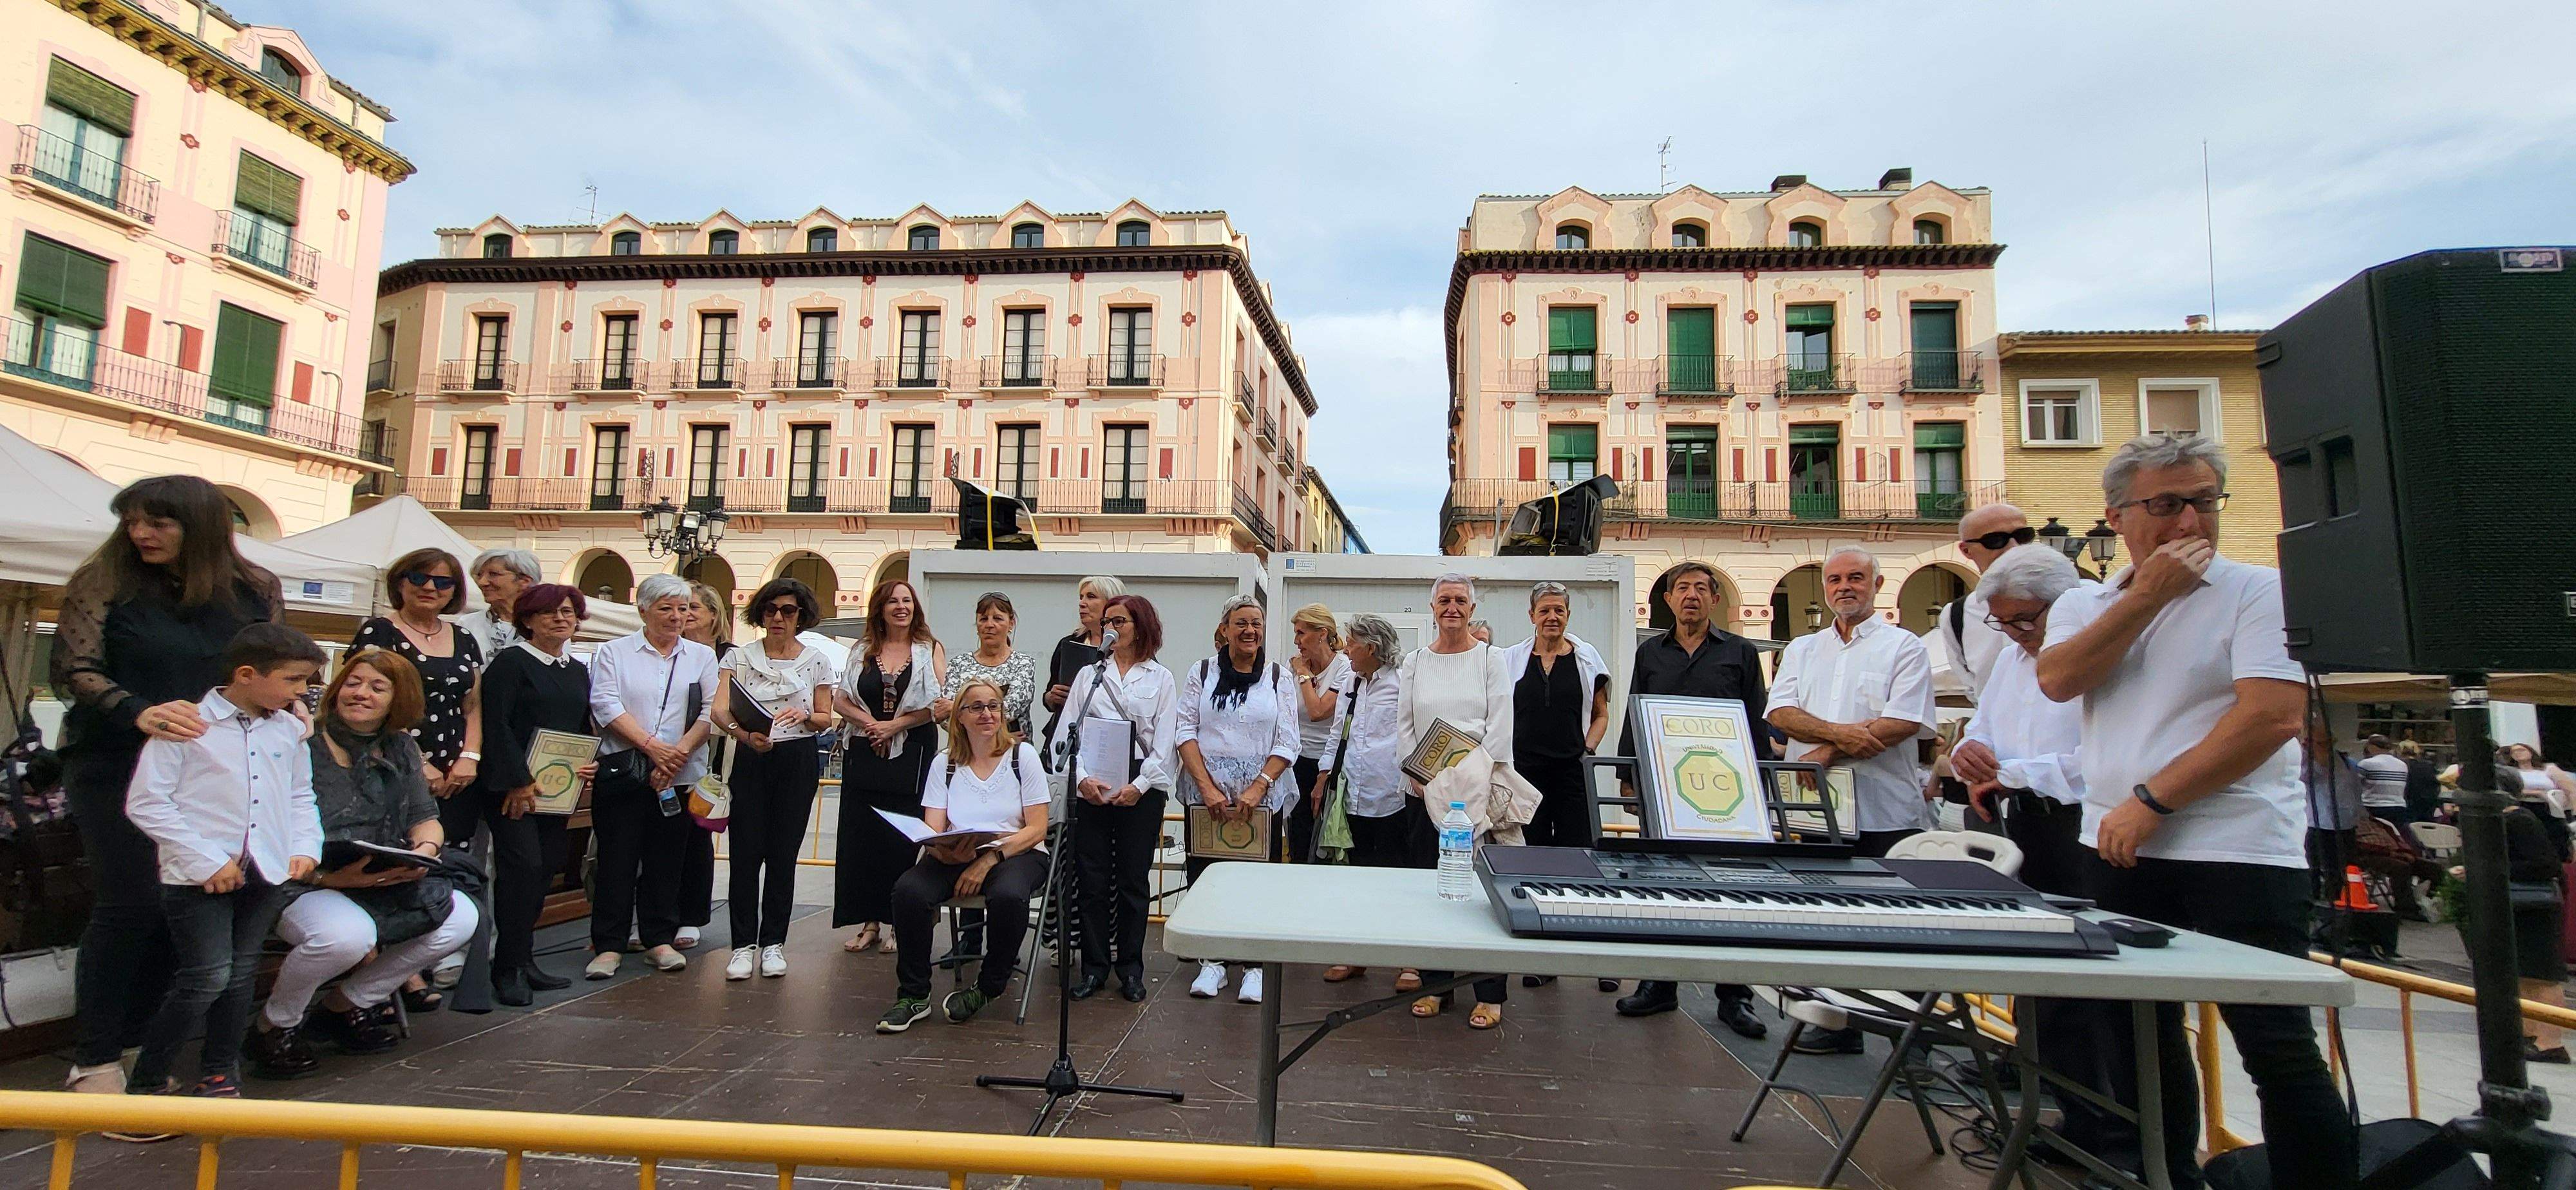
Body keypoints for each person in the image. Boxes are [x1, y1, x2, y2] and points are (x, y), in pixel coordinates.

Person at [2034, 433, 2355, 1189]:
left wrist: (2151, 802)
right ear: (2116, 517)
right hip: (2115, 847)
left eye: (2204, 503)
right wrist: (2144, 597)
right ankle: (2166, 1174)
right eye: (2166, 505)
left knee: (2275, 1045)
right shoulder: (2085, 601)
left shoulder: (2258, 591)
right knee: (2139, 1042)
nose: (2188, 524)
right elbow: (2057, 680)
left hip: (2237, 850)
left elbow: (2270, 719)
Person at [53, 475, 286, 1097]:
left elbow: (269, 670)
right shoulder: (104, 579)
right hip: (114, 758)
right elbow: (72, 667)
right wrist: (136, 709)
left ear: (201, 525)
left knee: (179, 905)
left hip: (208, 769)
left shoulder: (255, 588)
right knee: (130, 902)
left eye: (158, 522)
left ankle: (137, 1044)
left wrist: (293, 705)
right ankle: (94, 1059)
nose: (140, 533)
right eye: (131, 520)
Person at [1944, 545, 2120, 1151]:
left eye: (2025, 620)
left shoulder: (2093, 658)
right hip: (2024, 825)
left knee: (2083, 987)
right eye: (2003, 621)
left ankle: (2102, 1123)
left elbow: (2099, 760)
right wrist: (1970, 753)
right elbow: (1984, 728)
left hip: (2078, 827)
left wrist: (2014, 774)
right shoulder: (2013, 663)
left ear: (2064, 606)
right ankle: (2066, 1109)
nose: (2015, 634)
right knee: (2040, 974)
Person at [121, 623, 325, 1110]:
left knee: (238, 976)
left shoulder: (289, 727)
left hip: (267, 871)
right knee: (206, 976)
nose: (302, 694)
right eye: (294, 681)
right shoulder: (189, 724)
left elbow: (300, 794)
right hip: (198, 877)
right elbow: (147, 802)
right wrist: (207, 860)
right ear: (248, 674)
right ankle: (146, 1084)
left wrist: (306, 846)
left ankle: (219, 1071)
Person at [249, 649, 479, 1081]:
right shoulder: (300, 742)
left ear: (399, 699)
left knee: (461, 916)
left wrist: (422, 856)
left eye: (377, 687)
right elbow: (266, 825)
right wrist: (328, 876)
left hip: (378, 874)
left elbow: (424, 819)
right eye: (353, 683)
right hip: (304, 879)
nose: (361, 694)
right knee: (345, 937)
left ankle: (346, 1005)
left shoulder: (401, 747)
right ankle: (275, 1025)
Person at [1769, 547, 1935, 1056]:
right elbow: (1780, 711)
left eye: (1856, 578)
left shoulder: (1905, 647)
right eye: (1836, 579)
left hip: (1887, 808)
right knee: (1826, 915)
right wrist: (1844, 736)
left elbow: (1904, 720)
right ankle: (1839, 1023)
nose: (1845, 587)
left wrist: (1825, 750)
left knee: (1898, 920)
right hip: (1819, 812)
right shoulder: (1802, 648)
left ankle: (1913, 1035)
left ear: (1877, 585)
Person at [1611, 561, 1773, 1032]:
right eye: (1682, 588)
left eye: (1702, 589)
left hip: (1728, 795)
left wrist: (1761, 788)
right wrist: (1628, 775)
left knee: (1732, 894)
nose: (1691, 596)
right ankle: (1659, 985)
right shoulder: (1650, 654)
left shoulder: (1741, 652)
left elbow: (1756, 721)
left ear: (1715, 600)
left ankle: (1735, 997)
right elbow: (1634, 713)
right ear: (1668, 598)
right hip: (1663, 794)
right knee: (1660, 890)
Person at [877, 679, 1052, 1032]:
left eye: (994, 706)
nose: (987, 714)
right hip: (958, 853)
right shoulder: (946, 763)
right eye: (976, 707)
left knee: (1007, 896)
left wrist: (990, 859)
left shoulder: (1023, 756)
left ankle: (989, 987)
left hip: (1017, 852)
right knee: (909, 891)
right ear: (959, 717)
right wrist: (949, 853)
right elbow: (934, 828)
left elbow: (1036, 829)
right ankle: (913, 996)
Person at [585, 573, 719, 979]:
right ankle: (608, 945)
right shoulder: (614, 652)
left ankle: (658, 938)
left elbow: (711, 710)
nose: (677, 617)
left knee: (667, 860)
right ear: (642, 610)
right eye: (666, 608)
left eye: (683, 608)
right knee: (616, 860)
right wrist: (652, 747)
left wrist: (675, 755)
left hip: (678, 775)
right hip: (625, 772)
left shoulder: (701, 656)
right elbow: (605, 703)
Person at [1397, 573, 1515, 1028]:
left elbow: (1500, 726)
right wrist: (1418, 777)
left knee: (1484, 895)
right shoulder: (1415, 662)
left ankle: (1490, 992)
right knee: (1432, 892)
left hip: (1477, 794)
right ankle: (1436, 986)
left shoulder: (1491, 658)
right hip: (1426, 793)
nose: (1452, 607)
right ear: (1432, 608)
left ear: (1472, 607)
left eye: (1460, 600)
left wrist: (1471, 782)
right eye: (1444, 600)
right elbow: (1405, 723)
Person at [1174, 594, 1300, 1005]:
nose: (1250, 631)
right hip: (1206, 791)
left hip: (1259, 795)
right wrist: (1207, 787)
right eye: (1241, 623)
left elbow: (1288, 741)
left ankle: (1253, 966)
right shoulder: (1202, 671)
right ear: (1224, 629)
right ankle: (1213, 963)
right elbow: (1185, 730)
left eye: (1257, 624)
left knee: (1256, 884)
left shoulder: (1278, 677)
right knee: (1206, 876)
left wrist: (1259, 786)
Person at [471, 584, 591, 1005]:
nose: (560, 619)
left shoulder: (576, 670)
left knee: (546, 869)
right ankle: (506, 968)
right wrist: (517, 781)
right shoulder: (510, 664)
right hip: (514, 790)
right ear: (527, 620)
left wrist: (586, 762)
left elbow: (578, 727)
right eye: (548, 613)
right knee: (522, 870)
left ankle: (525, 958)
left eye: (567, 612)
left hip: (556, 791)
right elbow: (496, 725)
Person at [712, 578, 837, 981]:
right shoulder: (739, 658)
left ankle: (774, 943)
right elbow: (719, 710)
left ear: (801, 615)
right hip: (752, 753)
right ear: (760, 614)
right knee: (745, 853)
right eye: (771, 610)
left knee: (784, 855)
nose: (779, 617)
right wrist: (744, 735)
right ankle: (742, 945)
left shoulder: (817, 660)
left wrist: (806, 716)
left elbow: (826, 717)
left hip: (796, 758)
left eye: (788, 610)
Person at [1055, 594, 1177, 1002]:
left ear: (1140, 626)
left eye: (1119, 621)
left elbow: (1165, 744)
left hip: (1139, 790)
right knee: (1090, 881)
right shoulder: (1089, 676)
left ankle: (1131, 968)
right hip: (1093, 789)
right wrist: (1083, 780)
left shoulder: (1161, 680)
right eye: (1106, 621)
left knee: (1131, 882)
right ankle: (1093, 967)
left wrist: (1139, 787)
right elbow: (1066, 735)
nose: (1111, 628)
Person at [350, 550, 487, 880]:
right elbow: (362, 703)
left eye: (442, 582)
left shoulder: (464, 638)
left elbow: (473, 704)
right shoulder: (379, 633)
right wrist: (418, 764)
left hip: (457, 775)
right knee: (402, 857)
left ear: (455, 591)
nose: (430, 587)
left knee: (452, 864)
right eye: (418, 578)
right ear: (400, 583)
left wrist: (469, 757)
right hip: (394, 763)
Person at [833, 580, 947, 954]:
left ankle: (903, 920)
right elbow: (840, 700)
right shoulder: (862, 649)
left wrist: (894, 725)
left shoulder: (929, 649)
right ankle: (870, 922)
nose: (901, 607)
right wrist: (871, 725)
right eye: (893, 601)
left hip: (912, 750)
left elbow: (935, 704)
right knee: (864, 838)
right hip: (866, 750)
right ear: (879, 608)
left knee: (904, 838)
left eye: (907, 601)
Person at [1318, 613, 1410, 985]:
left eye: (1351, 642)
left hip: (1393, 797)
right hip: (1351, 795)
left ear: (1371, 647)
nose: (1346, 649)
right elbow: (1337, 733)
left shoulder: (1404, 682)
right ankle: (1354, 954)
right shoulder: (1350, 681)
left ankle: (1408, 960)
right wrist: (1323, 775)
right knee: (1353, 881)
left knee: (1398, 882)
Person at [2461, 771, 2573, 1062]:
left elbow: (2544, 865)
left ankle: (2550, 1041)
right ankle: (2530, 1034)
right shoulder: (2506, 821)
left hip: (2535, 907)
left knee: (2541, 976)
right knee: (2523, 974)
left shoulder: (2519, 820)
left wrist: (2488, 872)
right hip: (2521, 906)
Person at [1499, 581, 1609, 850]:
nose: (1552, 617)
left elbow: (1601, 715)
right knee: (1528, 850)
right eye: (1545, 610)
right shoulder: (1510, 659)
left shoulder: (1587, 659)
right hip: (1524, 774)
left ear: (1568, 615)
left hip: (1571, 773)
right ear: (1532, 616)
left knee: (1576, 850)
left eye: (1559, 610)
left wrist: (1588, 751)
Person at [672, 580, 733, 950]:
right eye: (679, 607)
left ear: (714, 614)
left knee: (697, 836)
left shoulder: (731, 656)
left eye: (693, 607)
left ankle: (691, 916)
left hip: (714, 761)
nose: (685, 614)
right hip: (665, 755)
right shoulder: (668, 651)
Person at [1938, 504, 2033, 704]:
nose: (2014, 547)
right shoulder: (1956, 615)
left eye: (2024, 536)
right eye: (1996, 540)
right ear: (1966, 550)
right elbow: (1973, 686)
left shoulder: (2070, 597)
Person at [1286, 603, 1353, 864]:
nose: (1296, 641)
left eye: (1301, 633)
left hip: (1329, 762)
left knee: (1324, 841)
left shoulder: (1344, 668)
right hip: (1296, 761)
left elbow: (1319, 710)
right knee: (1298, 839)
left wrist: (1303, 675)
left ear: (1322, 634)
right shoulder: (1290, 668)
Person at [1041, 576, 1125, 754]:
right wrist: (1052, 697)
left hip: (1110, 741)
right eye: (1081, 597)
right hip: (1069, 739)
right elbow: (1048, 697)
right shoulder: (1069, 644)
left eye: (1091, 597)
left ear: (1111, 604)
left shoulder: (1127, 648)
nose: (1082, 603)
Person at [939, 592, 1039, 739]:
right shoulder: (959, 664)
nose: (989, 625)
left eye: (998, 619)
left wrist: (955, 708)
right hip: (967, 753)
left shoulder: (1023, 664)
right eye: (983, 619)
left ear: (1011, 624)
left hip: (1011, 755)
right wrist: (1001, 734)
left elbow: (1011, 710)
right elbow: (943, 715)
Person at [454, 548, 540, 659]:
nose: (482, 582)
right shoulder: (467, 625)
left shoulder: (548, 625)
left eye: (493, 574)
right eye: (479, 575)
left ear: (524, 581)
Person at [2358, 735, 2412, 827]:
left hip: (2373, 807)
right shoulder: (2403, 765)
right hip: (2399, 807)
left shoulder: (2366, 764)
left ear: (2371, 747)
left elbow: (2354, 786)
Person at [2397, 740, 2444, 824]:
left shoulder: (2399, 766)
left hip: (2406, 808)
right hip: (2426, 808)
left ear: (2399, 752)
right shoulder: (2429, 767)